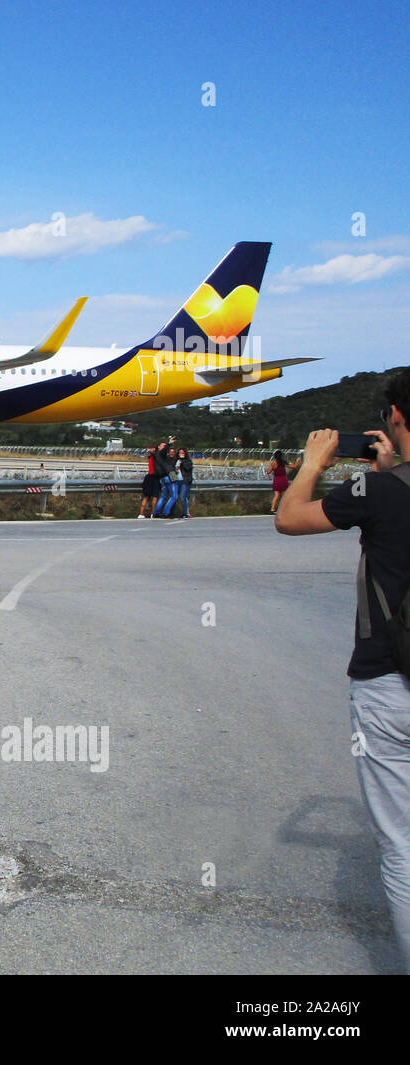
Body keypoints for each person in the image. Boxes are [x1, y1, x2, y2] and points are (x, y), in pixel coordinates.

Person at [276, 371, 410, 972]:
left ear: (396, 418)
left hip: (391, 683)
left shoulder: (379, 492)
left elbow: (289, 517)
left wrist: (314, 461)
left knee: (403, 848)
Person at [153, 442, 178, 518]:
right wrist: (169, 444)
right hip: (170, 474)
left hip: (163, 477)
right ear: (159, 447)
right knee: (174, 496)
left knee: (164, 496)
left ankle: (156, 512)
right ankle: (166, 512)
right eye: (163, 446)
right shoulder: (160, 454)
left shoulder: (158, 456)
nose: (165, 448)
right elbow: (164, 451)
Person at [139, 443, 159, 518]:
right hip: (155, 477)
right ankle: (153, 514)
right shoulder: (156, 457)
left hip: (148, 477)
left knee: (146, 496)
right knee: (155, 496)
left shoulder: (150, 457)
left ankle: (141, 513)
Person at [177, 447, 194, 518]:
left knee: (183, 497)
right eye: (180, 453)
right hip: (177, 481)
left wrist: (182, 460)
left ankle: (185, 513)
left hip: (185, 481)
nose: (181, 454)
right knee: (176, 497)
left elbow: (187, 468)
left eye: (182, 453)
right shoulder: (177, 460)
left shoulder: (188, 461)